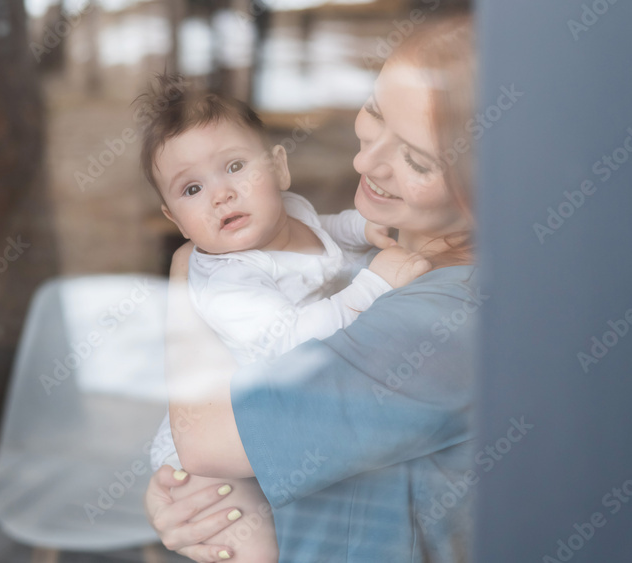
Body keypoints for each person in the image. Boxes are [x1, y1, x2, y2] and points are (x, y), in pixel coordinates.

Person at [145, 13, 479, 562]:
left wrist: (186, 271)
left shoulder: (446, 322)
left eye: (416, 158)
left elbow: (206, 440)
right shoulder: (387, 254)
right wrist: (186, 505)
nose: (363, 159)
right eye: (374, 110)